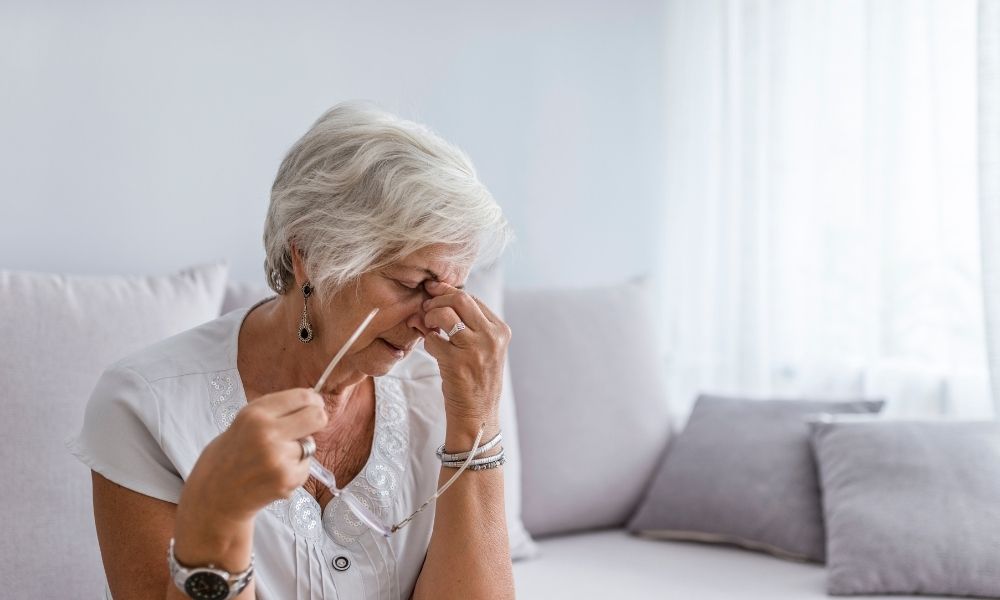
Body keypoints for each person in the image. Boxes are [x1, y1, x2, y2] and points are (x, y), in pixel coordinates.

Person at [68, 102, 516, 599]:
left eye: (451, 290)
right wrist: (218, 517)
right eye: (411, 283)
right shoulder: (145, 406)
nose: (432, 320)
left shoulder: (450, 384)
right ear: (311, 255)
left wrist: (477, 421)